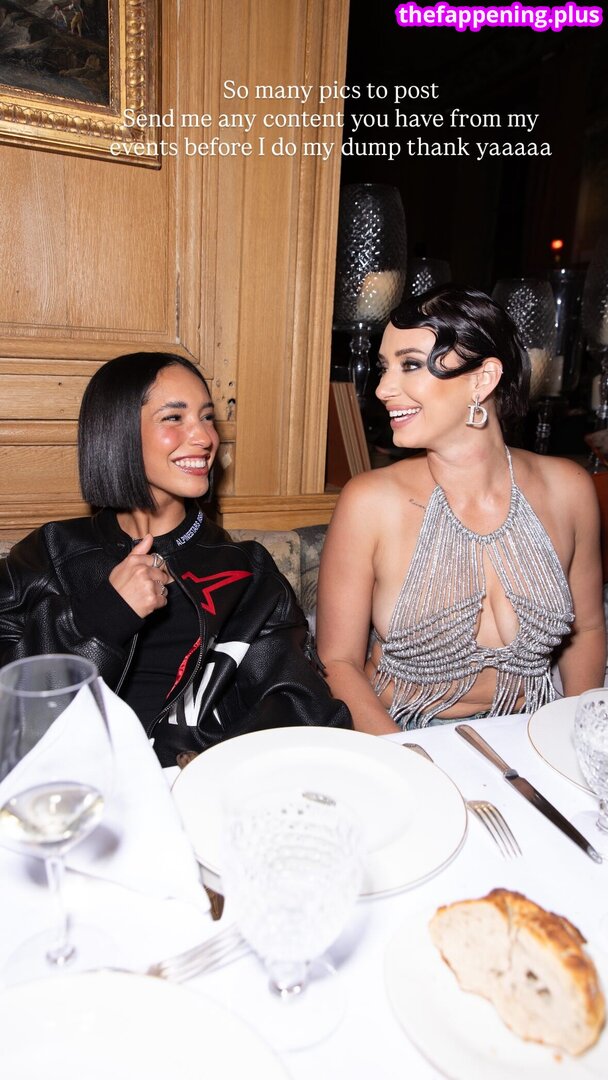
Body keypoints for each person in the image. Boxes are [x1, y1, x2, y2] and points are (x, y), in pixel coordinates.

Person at [0, 352, 351, 764]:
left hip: (198, 783)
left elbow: (300, 707)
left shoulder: (246, 571)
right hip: (75, 781)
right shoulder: (51, 553)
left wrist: (211, 766)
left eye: (207, 417)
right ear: (119, 432)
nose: (204, 437)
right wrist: (106, 616)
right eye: (174, 418)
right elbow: (13, 715)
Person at [317, 286, 606, 735]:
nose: (383, 389)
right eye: (384, 367)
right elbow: (337, 662)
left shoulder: (569, 488)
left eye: (410, 364)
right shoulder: (369, 501)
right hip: (400, 733)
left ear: (482, 379)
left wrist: (571, 736)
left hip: (530, 731)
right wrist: (411, 759)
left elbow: (587, 630)